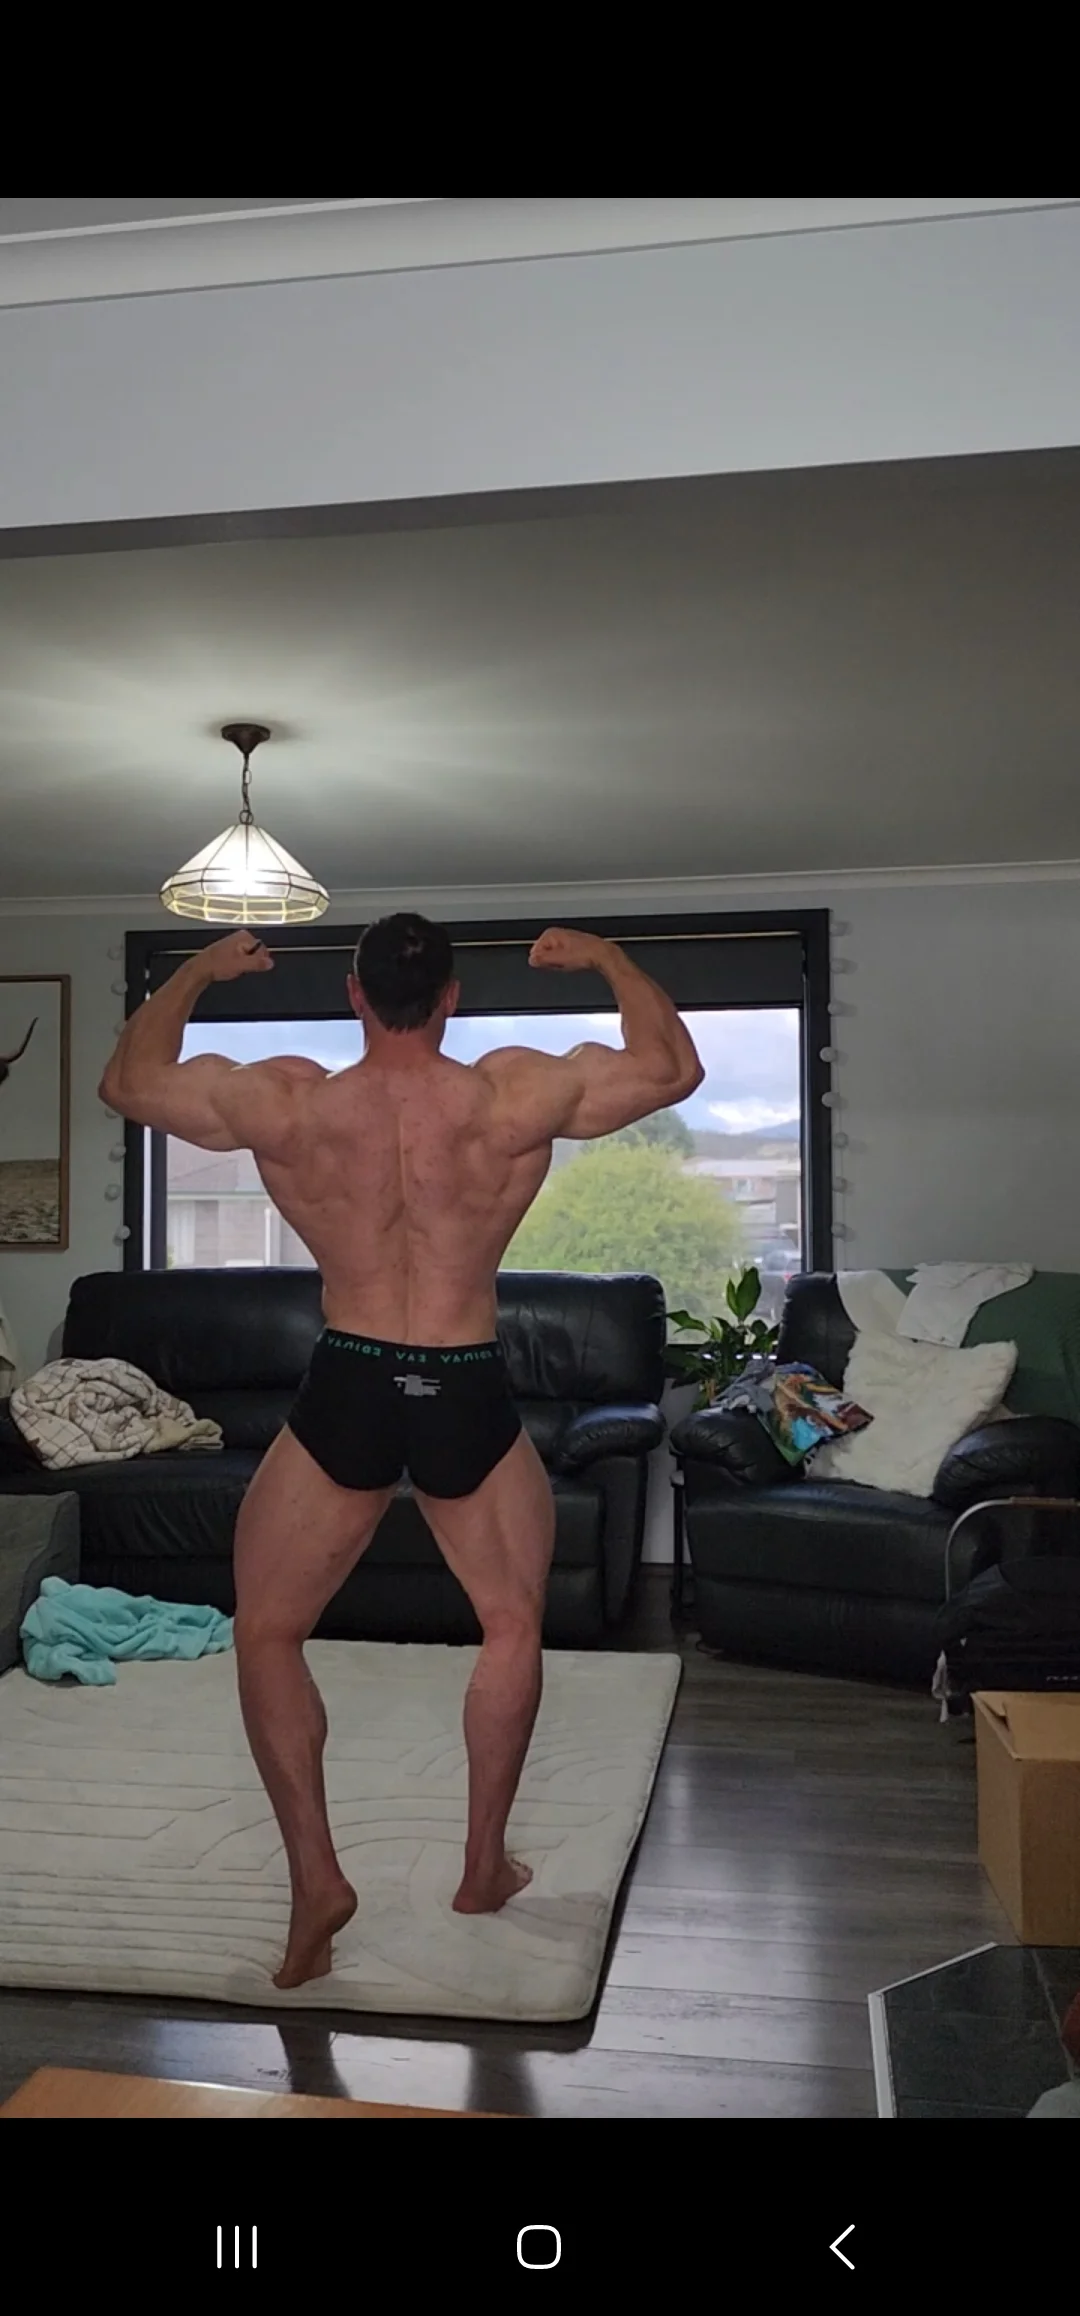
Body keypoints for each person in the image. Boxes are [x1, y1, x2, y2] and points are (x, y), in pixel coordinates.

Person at [100, 915, 703, 1986]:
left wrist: (196, 970)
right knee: (510, 1624)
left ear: (355, 996)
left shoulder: (291, 1102)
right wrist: (609, 960)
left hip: (351, 1379)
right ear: (453, 1000)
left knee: (267, 1633)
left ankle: (316, 1880)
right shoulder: (511, 1095)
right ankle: (482, 1867)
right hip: (464, 1381)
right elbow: (671, 1068)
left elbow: (130, 1083)